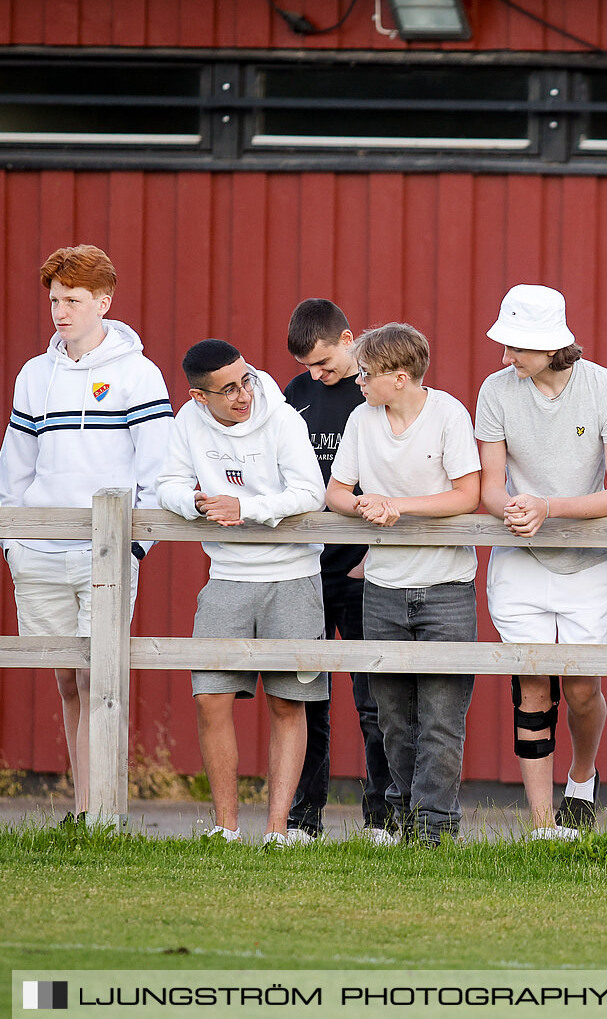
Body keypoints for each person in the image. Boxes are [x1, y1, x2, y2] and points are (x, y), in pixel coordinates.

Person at [0, 245, 170, 822]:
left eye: (72, 299)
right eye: (53, 300)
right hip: (40, 554)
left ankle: (103, 811)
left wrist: (135, 547)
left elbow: (156, 469)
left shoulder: (137, 373)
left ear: (104, 301)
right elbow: (15, 468)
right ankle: (82, 806)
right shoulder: (33, 374)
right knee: (68, 680)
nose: (60, 311)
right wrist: (13, 544)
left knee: (102, 680)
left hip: (106, 555)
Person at [476, 285, 607, 838]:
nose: (504, 359)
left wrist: (549, 508)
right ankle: (545, 825)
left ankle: (583, 776)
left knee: (580, 689)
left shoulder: (606, 389)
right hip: (518, 561)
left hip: (588, 566)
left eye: (515, 348)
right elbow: (490, 488)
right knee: (533, 685)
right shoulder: (495, 391)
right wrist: (515, 510)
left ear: (551, 347)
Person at [157, 340, 326, 847]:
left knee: (287, 702)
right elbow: (165, 484)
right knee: (211, 697)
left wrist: (246, 509)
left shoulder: (282, 418)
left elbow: (310, 492)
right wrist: (195, 503)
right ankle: (225, 827)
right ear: (197, 397)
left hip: (292, 574)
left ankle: (277, 830)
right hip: (226, 575)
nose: (243, 394)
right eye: (228, 389)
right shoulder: (187, 424)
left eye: (246, 379)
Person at [327, 323, 482, 845]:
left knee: (441, 717)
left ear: (400, 376)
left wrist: (398, 507)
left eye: (367, 375)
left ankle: (434, 829)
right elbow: (337, 492)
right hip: (384, 588)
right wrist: (363, 505)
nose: (359, 383)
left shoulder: (449, 415)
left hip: (446, 586)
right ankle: (398, 817)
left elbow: (466, 495)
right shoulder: (361, 419)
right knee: (391, 716)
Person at [281, 299, 392, 844]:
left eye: (325, 363)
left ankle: (381, 817)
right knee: (308, 698)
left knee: (374, 701)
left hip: (362, 571)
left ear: (349, 339)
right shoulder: (295, 397)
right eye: (308, 368)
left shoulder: (374, 394)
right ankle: (305, 818)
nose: (317, 375)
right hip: (306, 568)